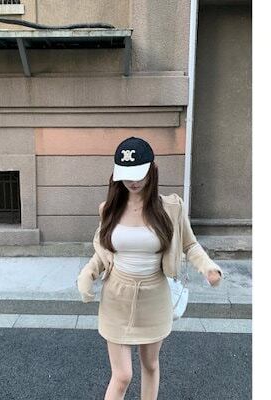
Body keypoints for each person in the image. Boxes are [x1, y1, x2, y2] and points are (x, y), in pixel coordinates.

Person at [77, 136, 223, 400]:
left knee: (151, 364)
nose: (132, 182)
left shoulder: (171, 208)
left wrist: (208, 267)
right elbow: (104, 249)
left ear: (152, 171)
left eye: (138, 175)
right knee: (122, 375)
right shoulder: (109, 209)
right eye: (126, 175)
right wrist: (89, 272)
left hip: (155, 297)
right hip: (116, 297)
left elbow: (190, 244)